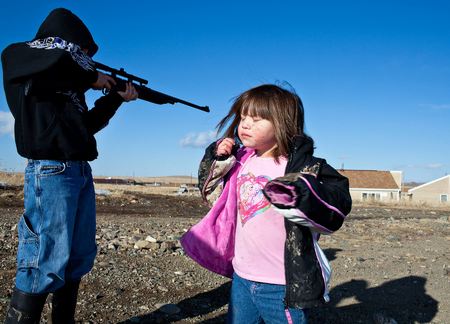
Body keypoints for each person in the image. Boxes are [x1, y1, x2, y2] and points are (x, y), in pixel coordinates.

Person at [1, 8, 138, 323]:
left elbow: (84, 128)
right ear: (67, 42)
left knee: (76, 258)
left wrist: (115, 98)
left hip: (79, 170)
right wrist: (93, 77)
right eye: (83, 53)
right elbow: (52, 64)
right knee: (42, 261)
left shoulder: (71, 82)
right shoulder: (23, 57)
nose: (86, 59)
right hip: (50, 171)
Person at [181, 84, 352, 323]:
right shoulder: (240, 161)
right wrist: (218, 157)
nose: (245, 124)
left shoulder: (306, 167)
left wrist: (300, 194)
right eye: (242, 118)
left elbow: (337, 204)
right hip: (242, 276)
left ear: (283, 123)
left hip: (281, 283)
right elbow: (211, 192)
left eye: (257, 118)